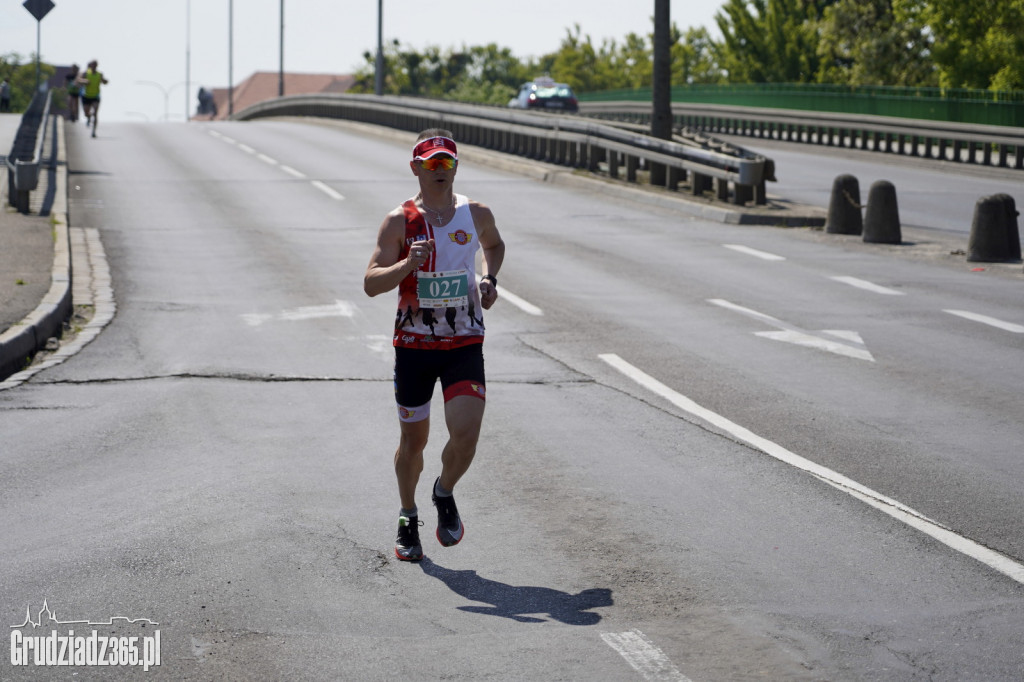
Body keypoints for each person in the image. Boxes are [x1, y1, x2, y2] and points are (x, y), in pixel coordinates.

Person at [364, 129, 505, 562]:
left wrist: (489, 278)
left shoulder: (475, 213)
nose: (440, 171)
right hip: (414, 345)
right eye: (432, 165)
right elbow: (371, 284)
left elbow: (494, 246)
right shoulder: (399, 221)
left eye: (447, 163)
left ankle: (443, 491)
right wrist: (408, 263)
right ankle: (408, 515)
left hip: (463, 339)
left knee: (466, 434)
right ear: (416, 169)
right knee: (414, 442)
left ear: (456, 167)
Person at [77, 60, 108, 137]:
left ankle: (93, 131)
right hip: (86, 96)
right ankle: (89, 117)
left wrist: (104, 81)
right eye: (92, 65)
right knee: (86, 113)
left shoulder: (99, 74)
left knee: (96, 113)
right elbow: (78, 80)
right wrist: (84, 81)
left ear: (97, 66)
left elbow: (105, 82)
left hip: (95, 96)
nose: (94, 67)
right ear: (90, 66)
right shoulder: (85, 73)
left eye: (95, 65)